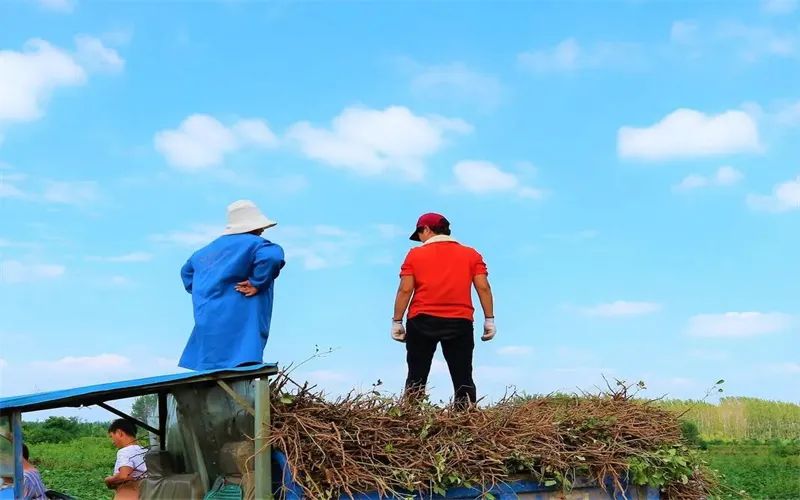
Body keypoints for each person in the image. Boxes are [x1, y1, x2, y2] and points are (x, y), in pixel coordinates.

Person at [391, 213, 496, 407]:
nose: (420, 240)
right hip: (459, 322)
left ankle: (409, 420)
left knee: (416, 377)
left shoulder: (415, 255)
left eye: (420, 234)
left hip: (422, 320)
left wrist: (397, 321)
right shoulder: (471, 254)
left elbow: (405, 289)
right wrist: (489, 319)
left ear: (427, 229)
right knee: (463, 376)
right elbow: (483, 287)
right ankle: (465, 421)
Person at [179, 200, 285, 370]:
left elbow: (186, 273)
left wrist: (208, 290)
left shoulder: (202, 253)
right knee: (242, 374)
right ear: (253, 226)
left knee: (210, 379)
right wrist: (257, 282)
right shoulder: (256, 244)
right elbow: (271, 257)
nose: (263, 230)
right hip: (242, 335)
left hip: (207, 339)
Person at [105, 419, 147, 500]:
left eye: (111, 436)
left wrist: (108, 480)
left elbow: (124, 476)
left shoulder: (125, 451)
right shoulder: (144, 450)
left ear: (119, 433)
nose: (112, 441)